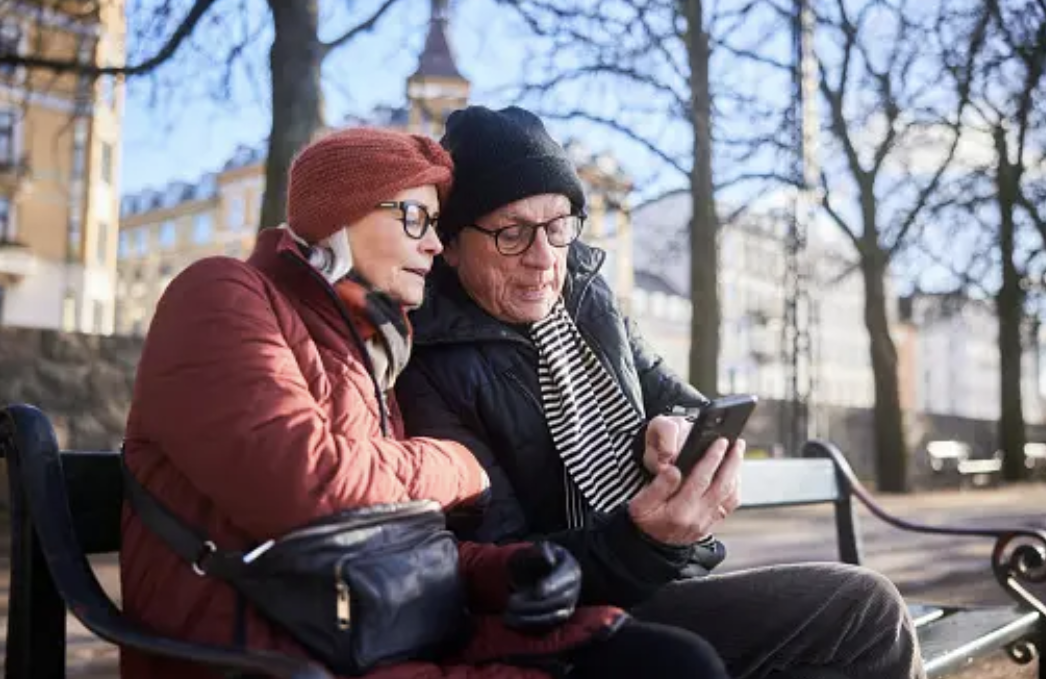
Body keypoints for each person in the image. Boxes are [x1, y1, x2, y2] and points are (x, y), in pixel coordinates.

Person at [119, 127, 730, 679]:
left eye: (435, 223)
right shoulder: (221, 291)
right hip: (269, 654)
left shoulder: (372, 357)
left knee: (669, 661)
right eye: (416, 218)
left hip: (373, 633)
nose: (435, 245)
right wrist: (453, 467)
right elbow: (304, 485)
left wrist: (515, 566)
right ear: (340, 216)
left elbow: (401, 538)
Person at [396, 105, 926, 679]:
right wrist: (643, 540)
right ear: (450, 244)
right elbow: (506, 572)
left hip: (661, 573)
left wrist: (673, 433)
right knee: (866, 611)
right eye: (511, 233)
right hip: (564, 623)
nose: (544, 257)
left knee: (856, 624)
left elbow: (679, 399)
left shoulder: (589, 303)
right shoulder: (426, 362)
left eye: (557, 228)